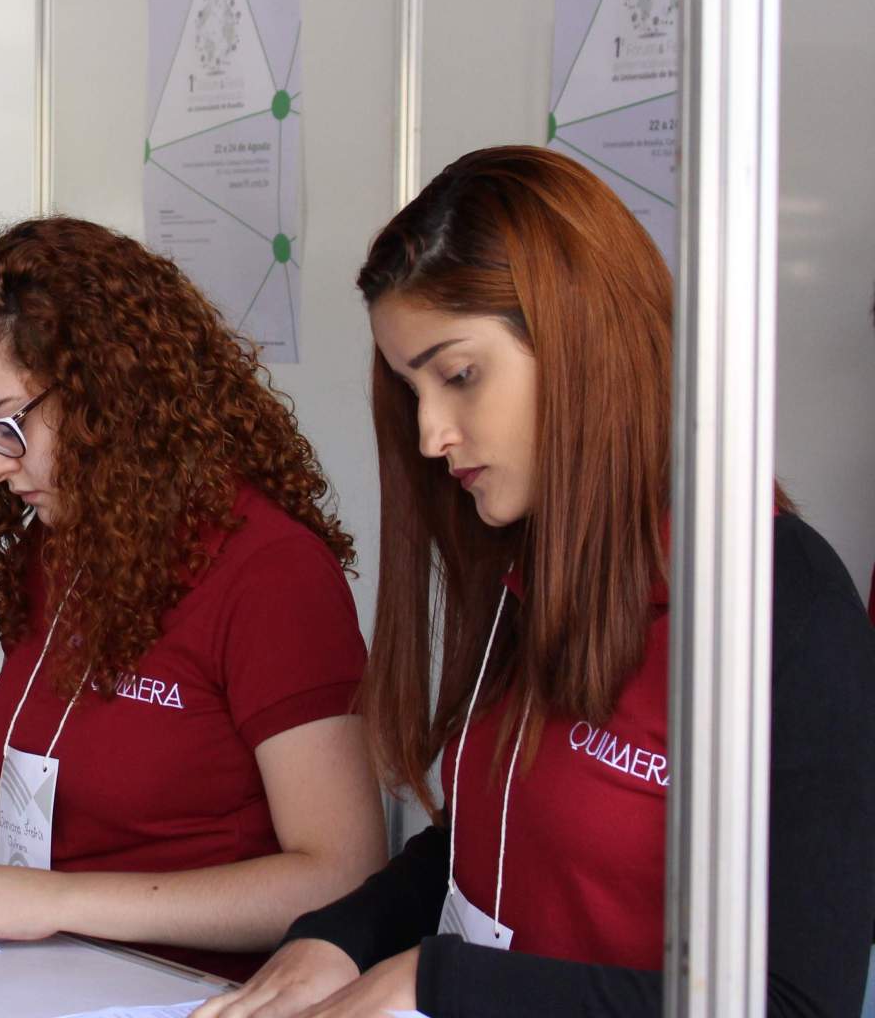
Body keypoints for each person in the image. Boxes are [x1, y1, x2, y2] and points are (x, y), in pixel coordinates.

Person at [196, 146, 875, 1017]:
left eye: (460, 376)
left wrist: (437, 981)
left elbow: (794, 1004)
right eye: (413, 392)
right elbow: (494, 846)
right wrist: (346, 935)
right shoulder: (535, 557)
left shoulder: (782, 605)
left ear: (583, 338)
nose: (434, 433)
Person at [0, 217, 385, 982]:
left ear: (107, 389)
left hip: (185, 990)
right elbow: (18, 737)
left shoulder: (271, 572)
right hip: (41, 974)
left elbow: (338, 873)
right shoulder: (70, 537)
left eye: (8, 424)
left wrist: (55, 901)